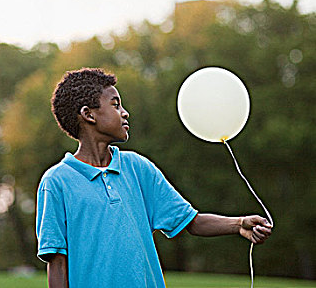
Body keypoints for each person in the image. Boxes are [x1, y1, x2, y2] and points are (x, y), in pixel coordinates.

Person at [36, 68, 272, 288]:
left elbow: (191, 221)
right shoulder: (56, 182)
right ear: (89, 115)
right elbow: (56, 262)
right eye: (115, 105)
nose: (125, 113)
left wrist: (239, 224)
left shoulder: (138, 168)